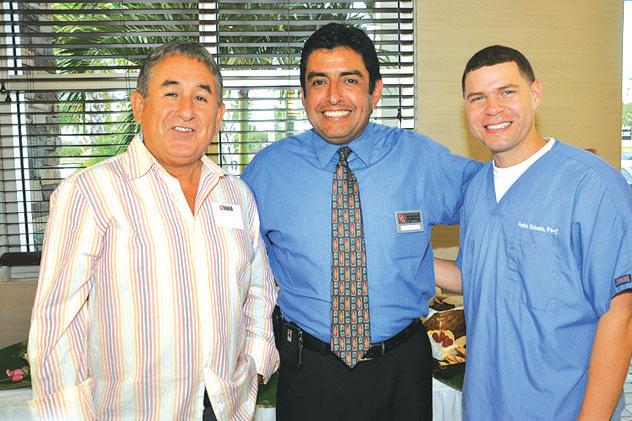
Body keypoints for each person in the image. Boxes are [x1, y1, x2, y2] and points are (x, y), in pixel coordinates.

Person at [27, 41, 278, 420]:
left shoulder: (236, 195)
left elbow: (259, 292)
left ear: (219, 115)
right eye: (171, 93)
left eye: (201, 97)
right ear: (139, 106)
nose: (186, 110)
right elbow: (57, 324)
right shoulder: (89, 193)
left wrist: (256, 364)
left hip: (223, 407)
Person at [241, 23, 478, 421]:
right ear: (303, 95)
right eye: (319, 82)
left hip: (401, 368)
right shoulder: (267, 171)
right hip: (308, 370)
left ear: (375, 90)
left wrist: (558, 172)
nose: (333, 96)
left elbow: (498, 196)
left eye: (349, 80)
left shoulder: (420, 159)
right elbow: (235, 266)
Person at [435, 45, 632, 420]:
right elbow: (479, 279)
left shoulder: (591, 184)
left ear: (535, 93)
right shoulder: (476, 191)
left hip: (561, 408)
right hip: (485, 404)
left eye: (507, 92)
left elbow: (621, 317)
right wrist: (401, 257)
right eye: (478, 98)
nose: (492, 108)